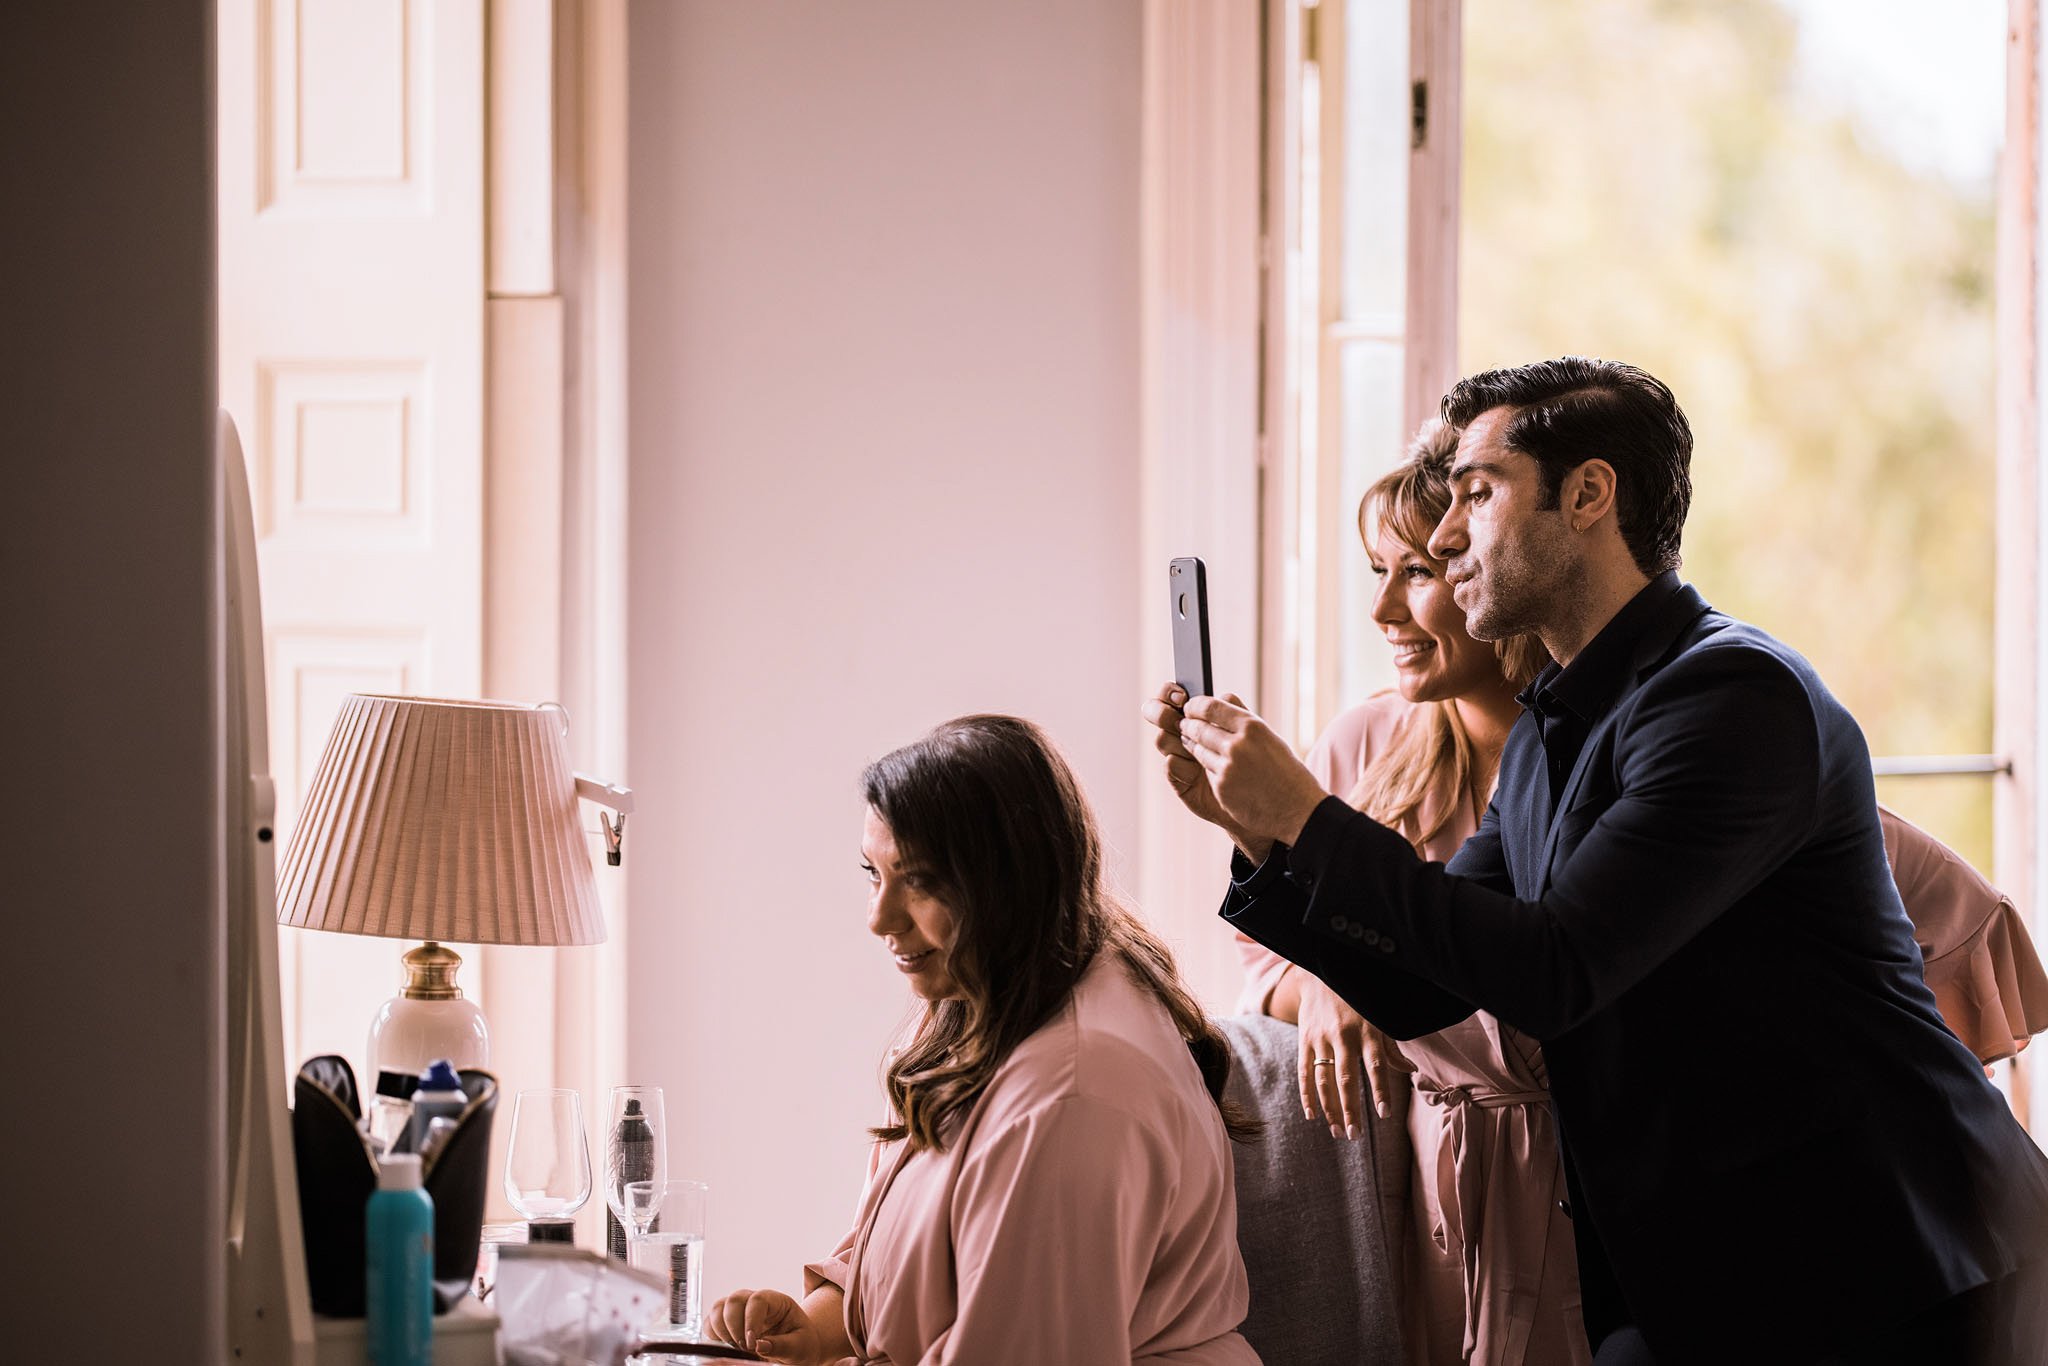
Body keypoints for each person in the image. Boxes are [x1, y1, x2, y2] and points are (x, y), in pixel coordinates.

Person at [1149, 358, 2048, 1364]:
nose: (1443, 537)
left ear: (1586, 495)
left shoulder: (1731, 699)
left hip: (1893, 1265)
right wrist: (1262, 835)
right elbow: (1432, 971)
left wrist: (1310, 819)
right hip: (1703, 1276)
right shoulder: (1552, 726)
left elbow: (1552, 970)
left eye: (1475, 494)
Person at [706, 715, 1262, 1366]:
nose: (878, 918)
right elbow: (910, 1261)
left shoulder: (1072, 1098)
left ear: (1007, 883)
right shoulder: (974, 1005)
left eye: (918, 882)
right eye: (873, 874)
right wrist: (814, 1329)